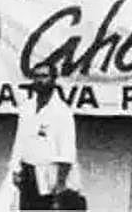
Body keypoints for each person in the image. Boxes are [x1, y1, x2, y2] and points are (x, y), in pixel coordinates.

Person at [8, 63, 79, 211]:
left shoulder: (62, 112)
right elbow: (19, 142)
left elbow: (67, 153)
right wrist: (15, 169)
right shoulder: (27, 108)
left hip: (50, 178)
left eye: (44, 76)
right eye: (36, 76)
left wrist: (60, 187)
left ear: (53, 80)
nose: (40, 80)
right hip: (27, 174)